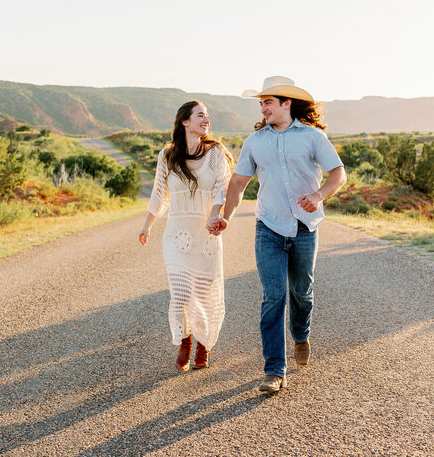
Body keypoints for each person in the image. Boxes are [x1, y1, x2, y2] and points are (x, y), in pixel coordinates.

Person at [209, 76, 346, 393]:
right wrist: (224, 217)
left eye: (268, 102)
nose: (262, 108)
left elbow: (338, 173)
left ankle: (301, 334)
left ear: (287, 103)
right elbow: (238, 184)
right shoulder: (255, 142)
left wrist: (319, 194)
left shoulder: (312, 137)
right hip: (268, 227)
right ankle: (274, 370)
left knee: (301, 293)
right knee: (274, 296)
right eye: (261, 103)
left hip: (303, 228)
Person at [139, 100, 233, 372]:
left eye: (208, 116)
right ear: (185, 122)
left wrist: (214, 214)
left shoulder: (215, 153)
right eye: (201, 115)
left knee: (203, 293)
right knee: (180, 292)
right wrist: (147, 225)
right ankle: (185, 342)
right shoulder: (168, 155)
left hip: (206, 233)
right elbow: (159, 193)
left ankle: (204, 345)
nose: (206, 120)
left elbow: (222, 188)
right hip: (176, 235)